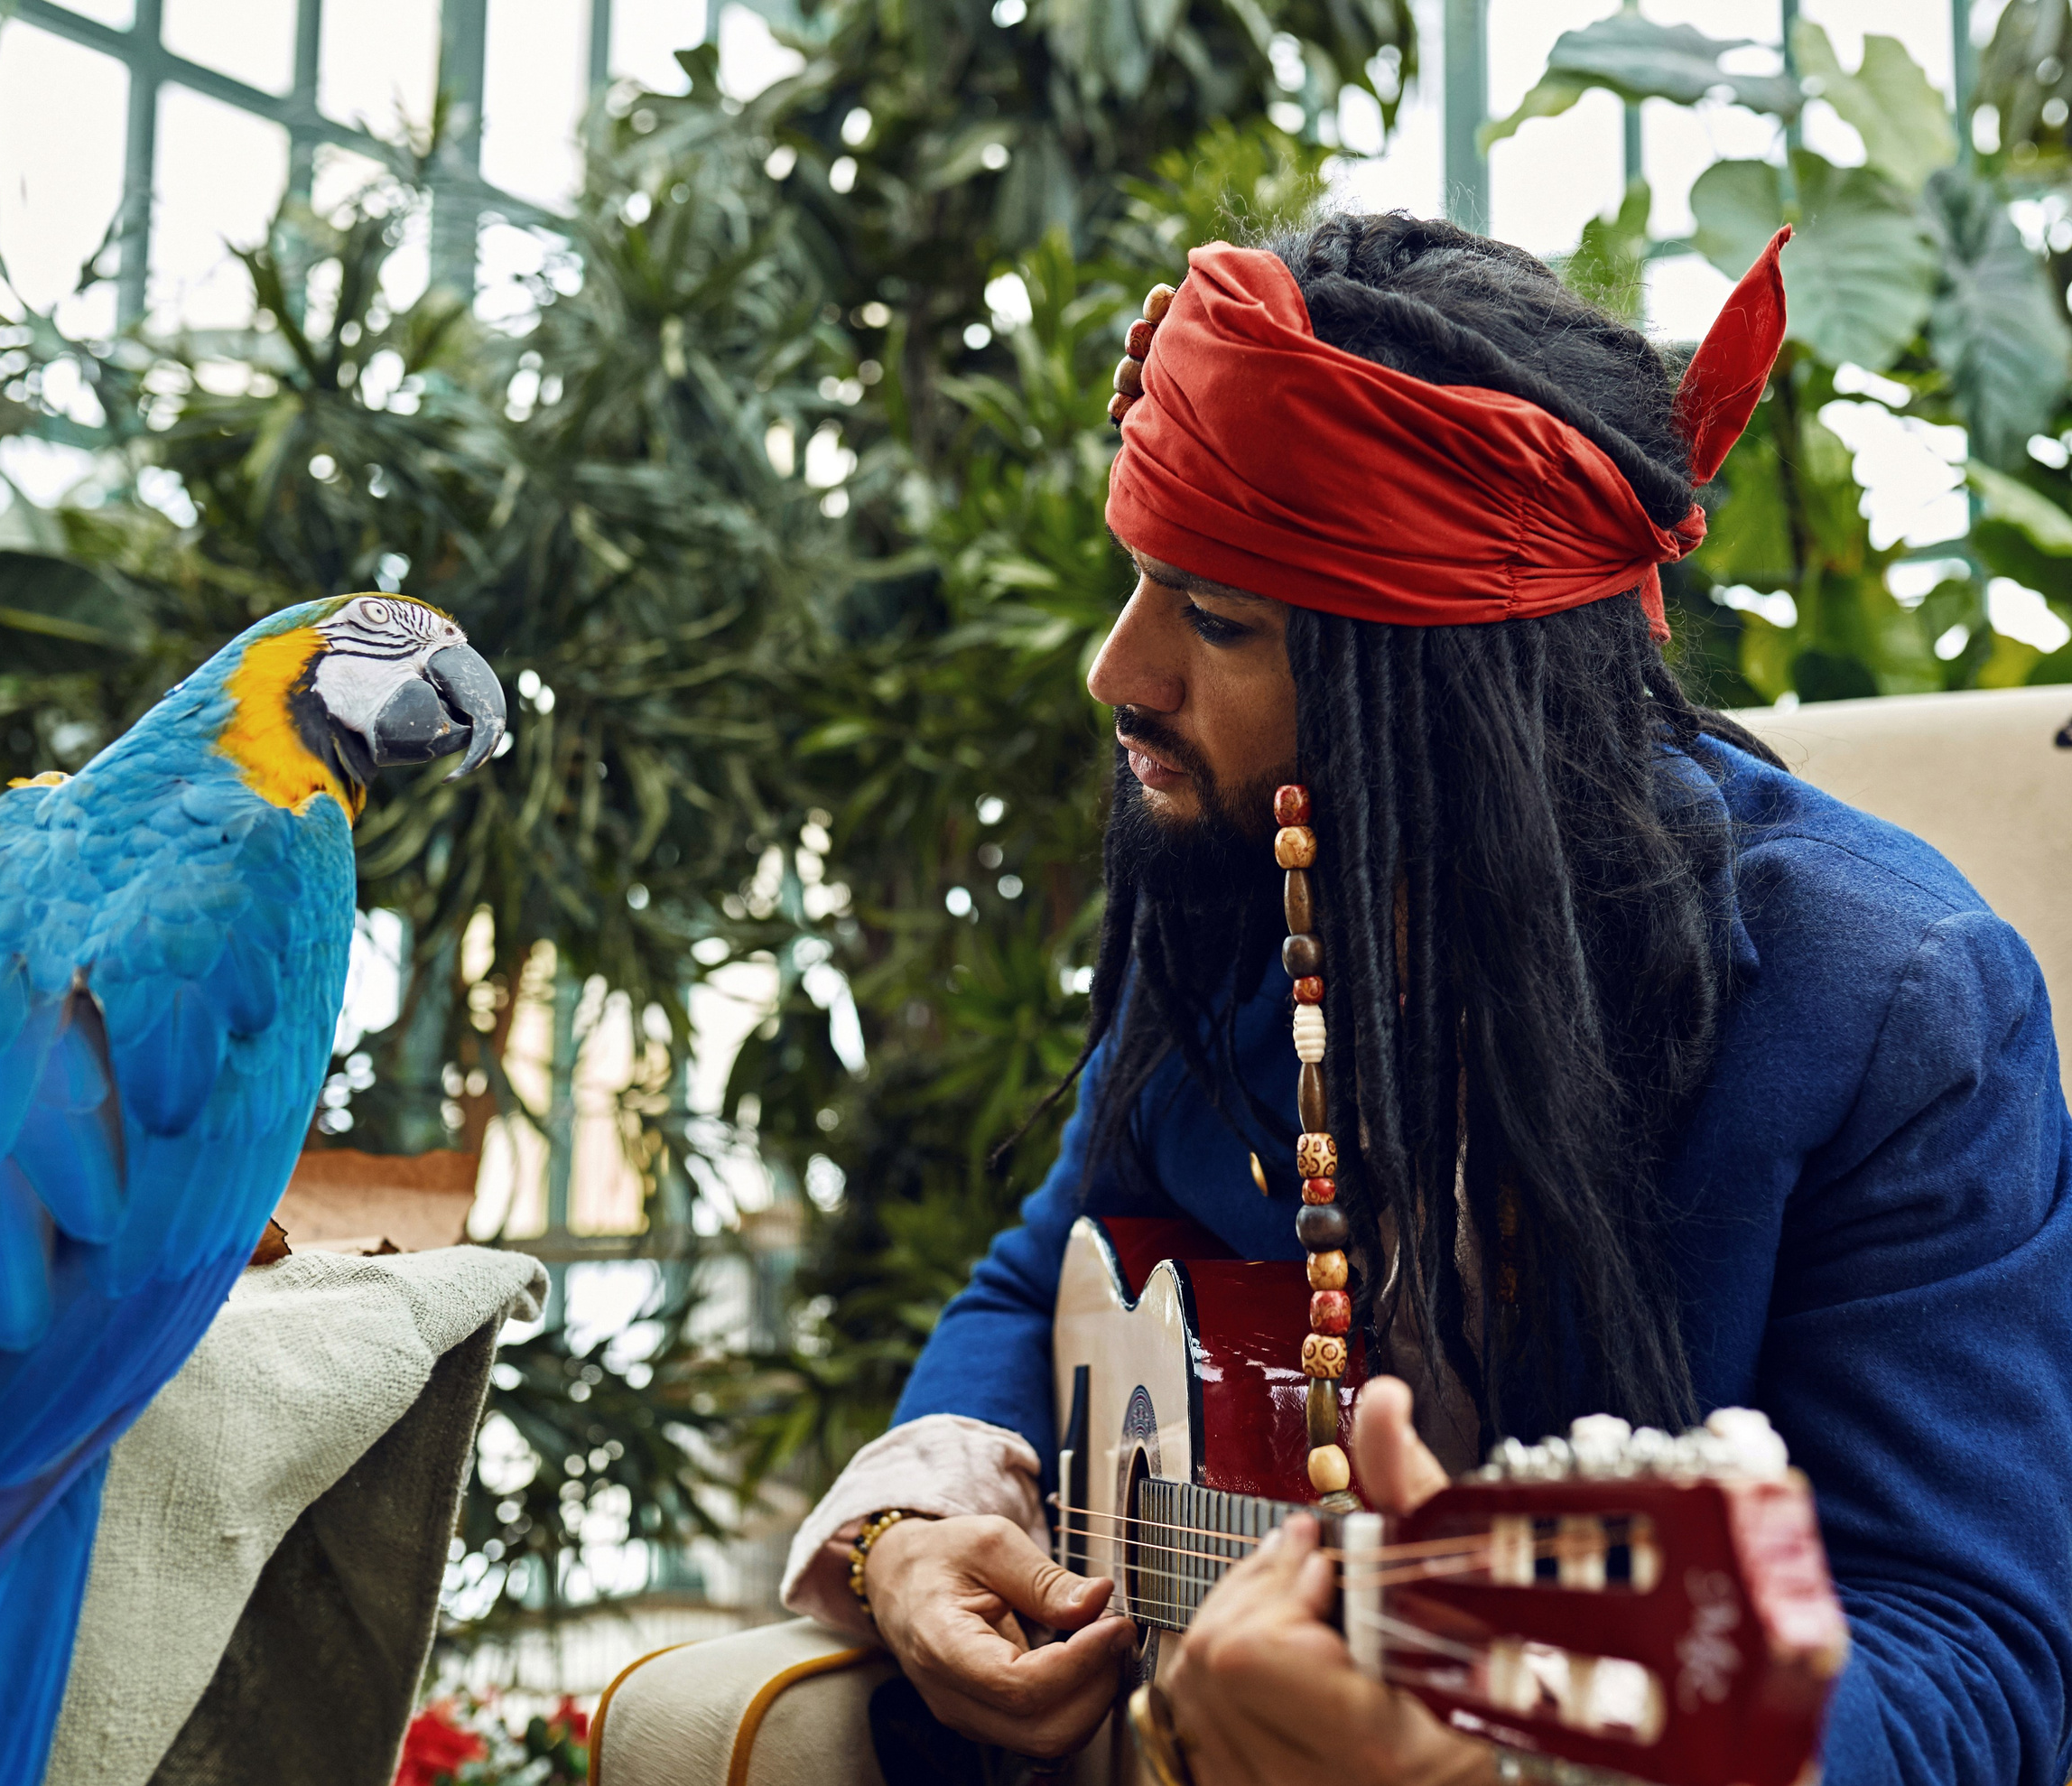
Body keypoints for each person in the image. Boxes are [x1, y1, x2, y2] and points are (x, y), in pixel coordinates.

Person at [777, 212, 2072, 1785]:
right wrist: (914, 1529)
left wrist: (1510, 1763)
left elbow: (1970, 1652)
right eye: (1140, 581)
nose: (1119, 670)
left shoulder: (1893, 1007)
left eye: (1220, 618)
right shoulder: (1252, 888)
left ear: (1451, 690)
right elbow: (1039, 1270)